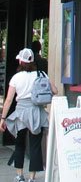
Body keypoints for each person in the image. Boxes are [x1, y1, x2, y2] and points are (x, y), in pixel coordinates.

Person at [0, 48, 57, 182]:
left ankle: (20, 176)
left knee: (20, 144)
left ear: (21, 61)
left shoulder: (16, 78)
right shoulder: (41, 74)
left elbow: (8, 100)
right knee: (35, 145)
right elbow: (55, 90)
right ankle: (32, 178)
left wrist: (3, 118)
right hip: (37, 111)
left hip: (21, 113)